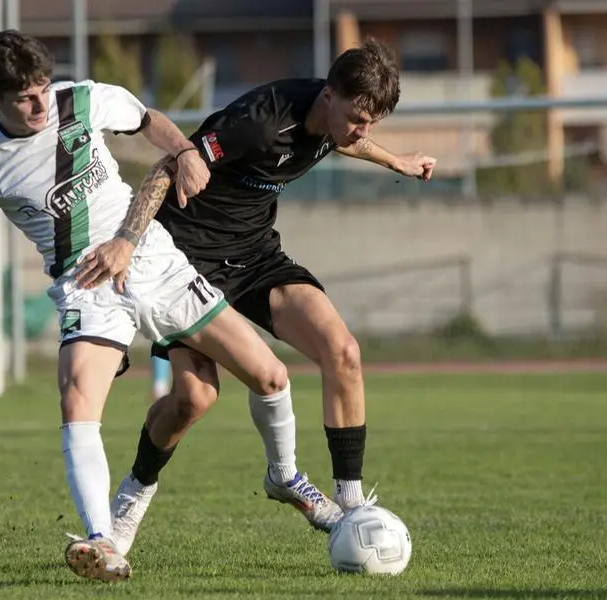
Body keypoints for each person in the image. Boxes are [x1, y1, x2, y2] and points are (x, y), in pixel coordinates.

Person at [0, 30, 337, 583]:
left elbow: (147, 118)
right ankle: (102, 541)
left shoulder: (82, 99)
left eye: (43, 88)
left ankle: (285, 474)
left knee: (269, 376)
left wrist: (182, 150)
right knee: (78, 396)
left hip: (153, 256)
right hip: (87, 285)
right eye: (23, 97)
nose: (39, 104)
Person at [76, 39, 437, 557]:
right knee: (193, 400)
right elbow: (166, 168)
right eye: (357, 118)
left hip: (256, 257)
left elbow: (345, 141)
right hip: (187, 261)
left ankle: (352, 508)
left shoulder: (336, 121)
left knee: (344, 352)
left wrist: (396, 161)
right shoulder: (262, 121)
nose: (362, 132)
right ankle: (132, 497)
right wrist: (128, 242)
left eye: (372, 123)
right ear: (329, 95)